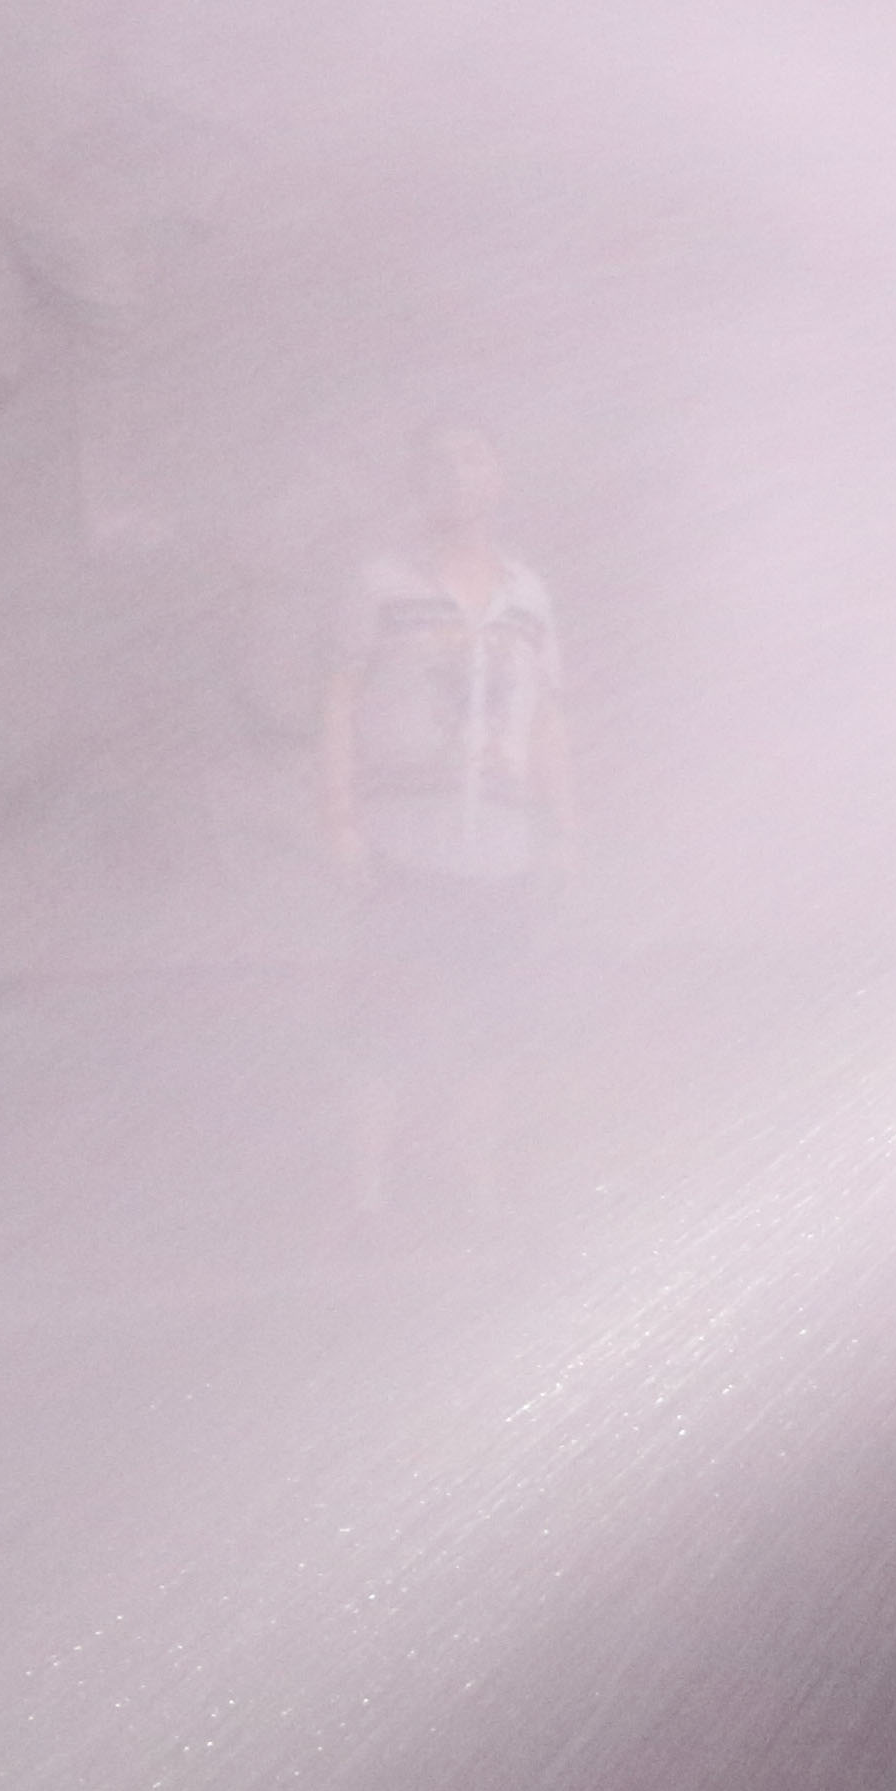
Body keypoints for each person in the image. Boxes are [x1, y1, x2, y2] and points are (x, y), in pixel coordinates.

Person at [320, 423, 571, 1216]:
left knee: (488, 1024)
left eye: (472, 459)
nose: (456, 475)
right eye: (438, 462)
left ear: (498, 479)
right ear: (417, 485)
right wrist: (340, 819)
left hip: (499, 848)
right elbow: (340, 699)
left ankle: (476, 1192)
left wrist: (561, 826)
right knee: (382, 1021)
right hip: (401, 843)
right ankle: (369, 1198)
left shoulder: (527, 597)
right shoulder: (382, 584)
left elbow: (547, 718)